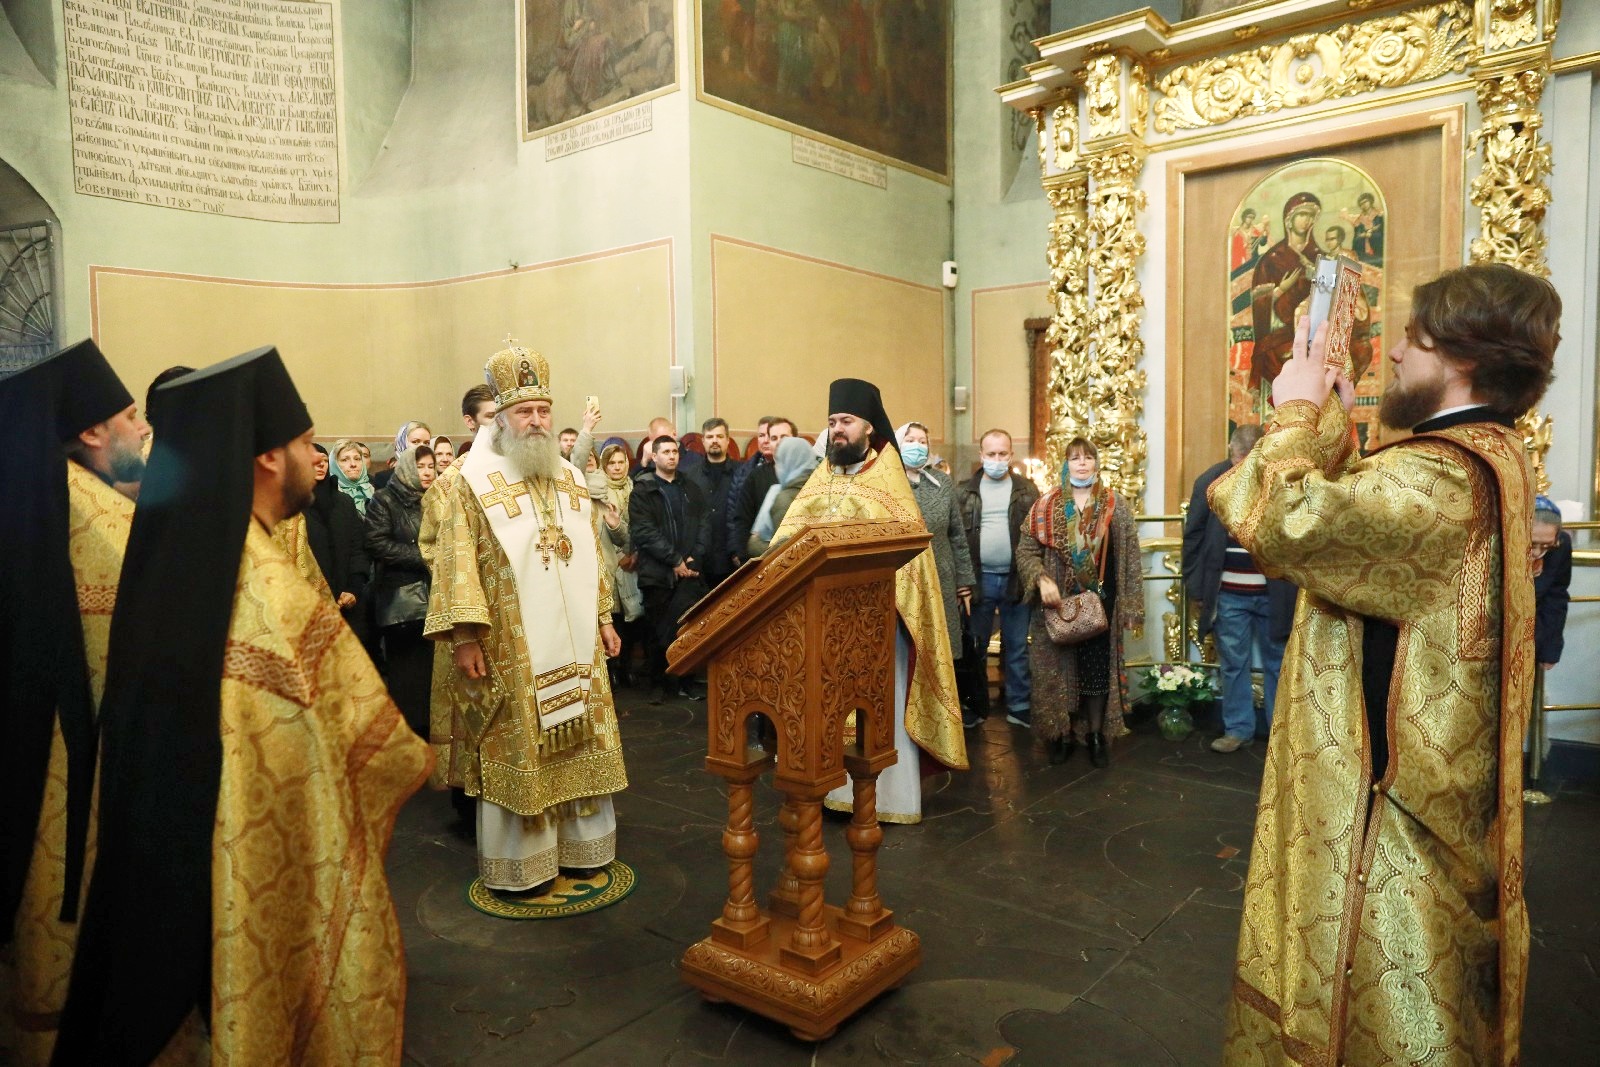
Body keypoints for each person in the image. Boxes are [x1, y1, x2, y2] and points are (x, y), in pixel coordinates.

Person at [1210, 263, 1559, 1064]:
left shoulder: (1437, 476)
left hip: (1393, 812)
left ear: (1461, 356)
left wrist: (1295, 406)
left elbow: (1288, 518)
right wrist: (1330, 413)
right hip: (1440, 779)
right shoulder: (1490, 453)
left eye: (1412, 339)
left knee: (1387, 1008)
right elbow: (1359, 524)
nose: (1394, 355)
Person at [55, 346, 430, 1064]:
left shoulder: (175, 550)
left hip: (168, 852)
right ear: (265, 459)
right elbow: (369, 737)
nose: (311, 458)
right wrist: (424, 757)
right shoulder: (267, 585)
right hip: (248, 846)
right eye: (300, 443)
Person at [425, 341, 627, 895]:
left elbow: (588, 548)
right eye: (523, 411)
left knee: (582, 736)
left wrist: (605, 615)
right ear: (503, 418)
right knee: (524, 742)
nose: (535, 421)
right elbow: (456, 559)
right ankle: (526, 865)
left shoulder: (567, 474)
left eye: (543, 410)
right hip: (513, 644)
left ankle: (584, 851)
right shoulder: (470, 481)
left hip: (579, 642)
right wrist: (465, 635)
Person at [0, 341, 144, 1067]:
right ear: (92, 431)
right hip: (74, 763)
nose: (142, 430)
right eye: (130, 416)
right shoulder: (100, 516)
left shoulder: (41, 496)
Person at [771, 378, 967, 824]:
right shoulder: (821, 477)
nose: (837, 430)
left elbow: (909, 556)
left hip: (881, 623)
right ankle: (833, 792)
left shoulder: (889, 475)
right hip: (826, 624)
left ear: (867, 426)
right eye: (832, 422)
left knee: (883, 708)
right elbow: (787, 538)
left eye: (846, 421)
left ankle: (890, 800)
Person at [1016, 438, 1143, 768]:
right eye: (1075, 458)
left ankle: (1097, 735)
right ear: (1065, 464)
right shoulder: (1045, 506)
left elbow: (1130, 557)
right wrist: (1041, 579)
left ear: (1097, 463)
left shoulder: (1115, 505)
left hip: (1101, 605)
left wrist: (1130, 604)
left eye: (1088, 457)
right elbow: (1026, 551)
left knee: (1095, 671)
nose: (1082, 463)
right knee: (1055, 672)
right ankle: (1060, 735)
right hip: (1056, 605)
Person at [1181, 424, 1295, 752]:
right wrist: (1196, 586)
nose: (1241, 467)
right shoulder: (1212, 481)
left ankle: (1278, 737)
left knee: (1277, 664)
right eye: (1236, 460)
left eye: (1247, 460)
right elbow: (1194, 537)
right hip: (1229, 594)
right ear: (1231, 452)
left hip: (1274, 594)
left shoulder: (1282, 481)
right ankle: (1238, 729)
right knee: (1233, 663)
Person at [958, 428, 1039, 728]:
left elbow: (1036, 535)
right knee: (975, 646)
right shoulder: (964, 491)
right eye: (990, 454)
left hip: (1015, 579)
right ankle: (975, 705)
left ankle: (1019, 705)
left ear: (1011, 455)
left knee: (1017, 646)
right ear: (981, 456)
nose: (996, 459)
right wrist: (962, 581)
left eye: (1002, 453)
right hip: (978, 580)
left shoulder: (1026, 490)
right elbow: (958, 540)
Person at [630, 435, 711, 702]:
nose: (671, 456)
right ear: (654, 457)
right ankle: (658, 684)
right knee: (657, 632)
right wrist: (674, 560)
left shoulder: (691, 487)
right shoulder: (643, 490)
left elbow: (703, 525)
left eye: (675, 451)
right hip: (658, 573)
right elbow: (645, 532)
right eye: (665, 452)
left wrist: (692, 558)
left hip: (688, 573)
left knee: (688, 630)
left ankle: (686, 682)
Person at [367, 446, 438, 737]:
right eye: (421, 466)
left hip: (434, 598)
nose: (427, 472)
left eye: (431, 467)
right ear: (408, 467)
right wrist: (424, 555)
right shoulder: (385, 499)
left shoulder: (437, 500)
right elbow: (376, 542)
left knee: (431, 676)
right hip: (403, 603)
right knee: (407, 676)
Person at [897, 421, 975, 657]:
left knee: (940, 647)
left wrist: (963, 581)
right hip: (903, 577)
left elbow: (957, 535)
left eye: (922, 442)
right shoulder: (888, 482)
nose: (917, 446)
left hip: (942, 573)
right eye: (910, 441)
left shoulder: (942, 483)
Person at [1249, 191, 1322, 387]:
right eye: (1301, 214)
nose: (1306, 220)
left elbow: (1337, 298)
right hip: (1281, 331)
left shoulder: (1320, 257)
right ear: (1289, 220)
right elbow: (1259, 305)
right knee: (1273, 353)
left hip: (1316, 334)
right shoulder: (1272, 260)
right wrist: (1281, 289)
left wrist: (1315, 275)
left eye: (1310, 215)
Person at [591, 442, 645, 688]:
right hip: (610, 560)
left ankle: (627, 668)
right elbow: (602, 529)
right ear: (605, 465)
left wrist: (634, 554)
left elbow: (641, 525)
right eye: (611, 463)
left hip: (634, 559)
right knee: (613, 614)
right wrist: (621, 555)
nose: (616, 467)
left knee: (633, 616)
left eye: (621, 462)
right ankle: (612, 668)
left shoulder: (636, 487)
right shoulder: (600, 491)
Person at [306, 442, 372, 639]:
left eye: (325, 461)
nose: (321, 465)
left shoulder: (343, 502)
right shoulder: (293, 505)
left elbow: (358, 549)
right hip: (310, 604)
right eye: (314, 461)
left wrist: (353, 588)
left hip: (347, 601)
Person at [729, 416, 797, 566]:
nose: (778, 442)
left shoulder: (811, 474)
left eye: (784, 437)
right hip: (762, 558)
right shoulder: (755, 476)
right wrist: (743, 557)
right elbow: (742, 519)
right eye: (773, 438)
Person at [685, 417, 742, 588]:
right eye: (710, 437)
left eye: (719, 436)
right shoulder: (689, 476)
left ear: (727, 440)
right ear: (703, 441)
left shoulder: (743, 473)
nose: (714, 441)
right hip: (701, 558)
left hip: (732, 557)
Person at [745, 434, 818, 558]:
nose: (775, 468)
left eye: (778, 462)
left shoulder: (784, 499)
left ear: (788, 463)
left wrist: (754, 544)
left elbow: (786, 553)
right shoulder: (821, 489)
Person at [1532, 495, 1570, 674]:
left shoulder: (1561, 545)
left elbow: (1556, 595)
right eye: (1531, 544)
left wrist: (1550, 649)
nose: (1538, 553)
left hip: (1535, 634)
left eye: (1547, 545)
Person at [332, 437, 376, 516]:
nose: (353, 464)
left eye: (357, 459)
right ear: (334, 465)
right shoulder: (327, 493)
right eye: (345, 460)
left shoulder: (374, 490)